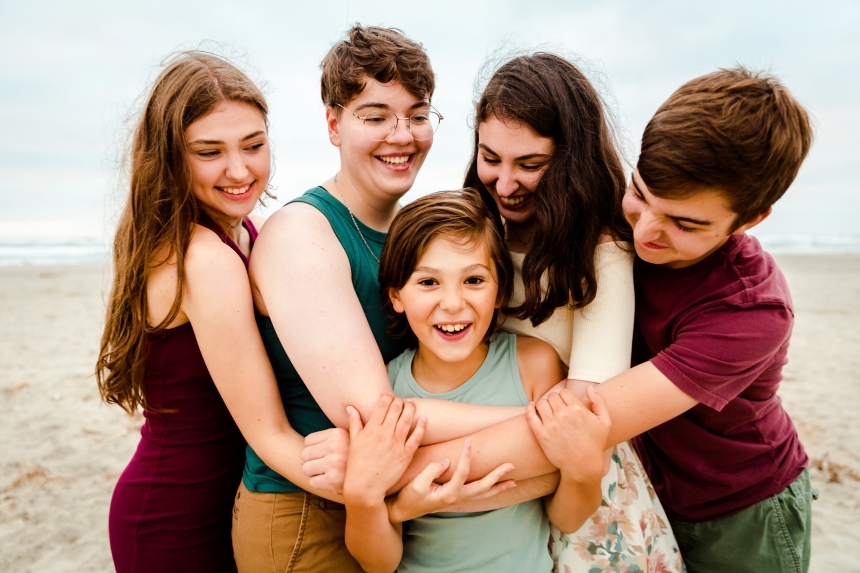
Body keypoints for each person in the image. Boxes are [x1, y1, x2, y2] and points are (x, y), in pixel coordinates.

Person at [234, 26, 523, 573]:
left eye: (417, 114)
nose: (402, 135)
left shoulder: (409, 237)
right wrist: (535, 420)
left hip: (387, 507)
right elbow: (380, 422)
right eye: (375, 117)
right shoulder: (304, 231)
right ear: (333, 124)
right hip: (306, 513)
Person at [96, 52, 322, 573]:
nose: (239, 170)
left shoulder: (245, 229)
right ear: (170, 158)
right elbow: (269, 435)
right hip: (177, 517)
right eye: (209, 151)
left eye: (254, 145)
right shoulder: (202, 259)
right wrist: (381, 489)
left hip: (234, 499)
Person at [462, 53, 685, 572]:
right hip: (490, 471)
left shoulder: (601, 251)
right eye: (490, 157)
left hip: (571, 479)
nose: (505, 182)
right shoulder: (469, 231)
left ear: (570, 159)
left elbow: (588, 406)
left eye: (531, 165)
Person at [342, 188, 611, 573]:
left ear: (501, 289)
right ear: (396, 294)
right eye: (428, 282)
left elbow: (566, 519)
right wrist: (370, 503)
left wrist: (584, 472)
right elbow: (378, 563)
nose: (452, 303)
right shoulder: (384, 389)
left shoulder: (533, 365)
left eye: (473, 280)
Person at [622, 68, 814, 573]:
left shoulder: (752, 307)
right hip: (652, 493)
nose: (646, 232)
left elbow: (602, 415)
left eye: (685, 223)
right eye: (640, 194)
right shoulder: (622, 225)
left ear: (750, 219)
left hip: (745, 511)